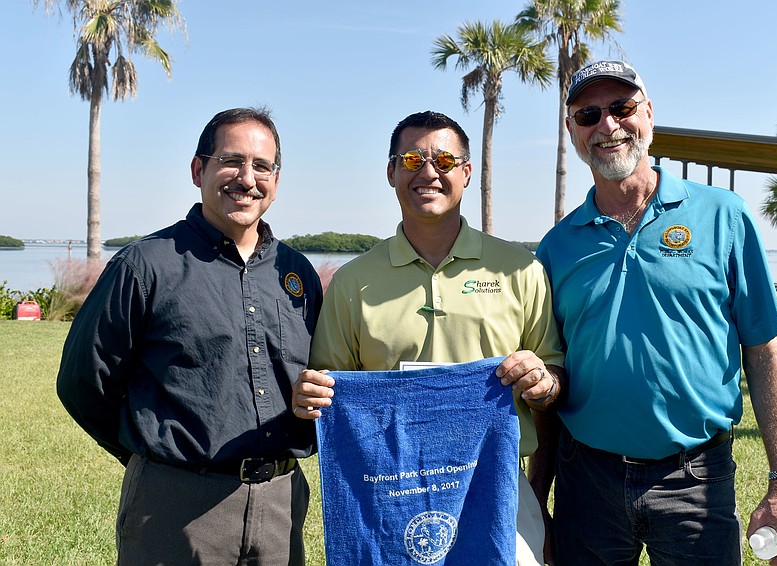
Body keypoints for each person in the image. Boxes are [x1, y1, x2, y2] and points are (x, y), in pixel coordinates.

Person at [535, 60, 777, 565]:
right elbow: (552, 381)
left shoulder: (724, 215)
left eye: (622, 107)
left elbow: (765, 352)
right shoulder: (555, 248)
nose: (608, 125)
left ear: (649, 115)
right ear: (573, 131)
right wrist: (536, 500)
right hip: (586, 482)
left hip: (695, 479)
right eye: (588, 114)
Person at [292, 110, 566, 565]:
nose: (427, 172)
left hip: (497, 486)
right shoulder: (352, 281)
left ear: (466, 172)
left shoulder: (521, 270)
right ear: (391, 172)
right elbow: (330, 392)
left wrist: (543, 381)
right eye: (412, 158)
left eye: (443, 159)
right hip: (387, 492)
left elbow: (553, 381)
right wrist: (310, 396)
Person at [56, 107, 322, 565]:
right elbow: (84, 383)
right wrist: (155, 459)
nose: (247, 178)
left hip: (282, 505)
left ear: (277, 181)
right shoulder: (145, 265)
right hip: (174, 507)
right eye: (231, 161)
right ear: (199, 170)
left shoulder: (296, 273)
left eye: (262, 166)